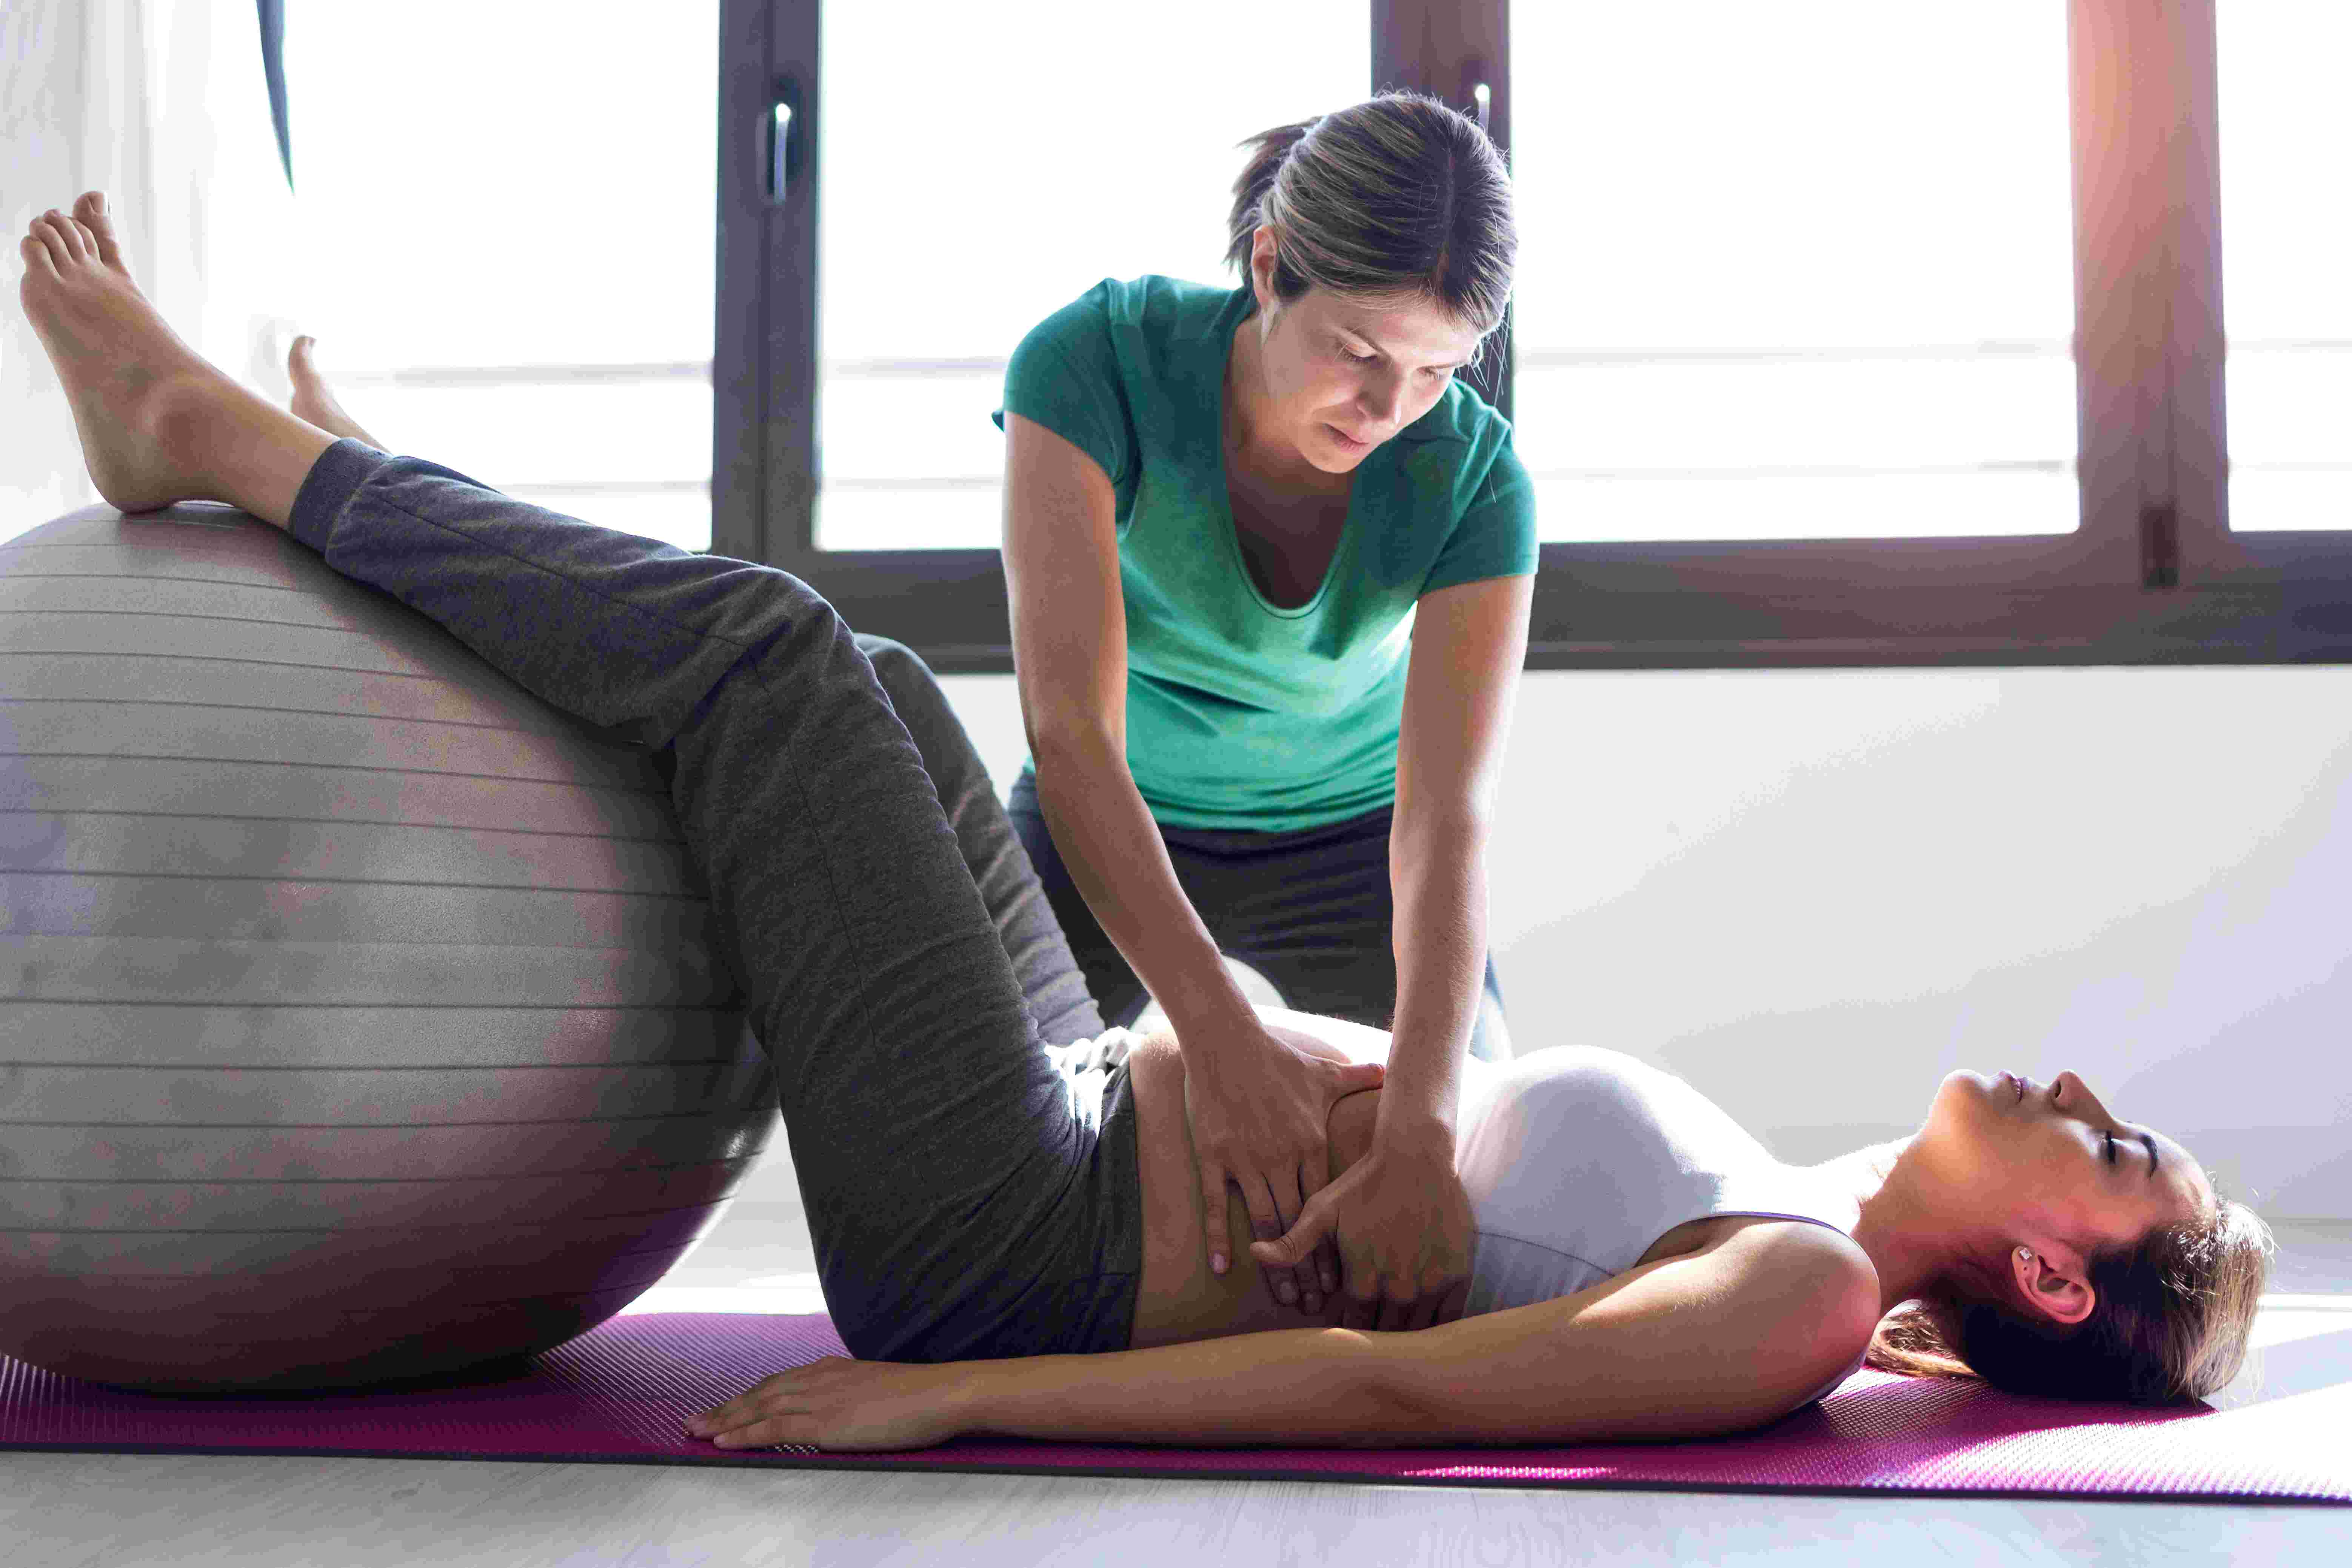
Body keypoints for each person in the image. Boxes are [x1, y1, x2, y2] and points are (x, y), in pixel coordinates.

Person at [14, 192, 2269, 1457]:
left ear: (2054, 1270)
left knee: (782, 667)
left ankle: (227, 445)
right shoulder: (1781, 1199)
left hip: (1024, 1232)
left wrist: (950, 1396)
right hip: (1079, 1095)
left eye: (2118, 1141)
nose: (2078, 1084)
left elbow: (1390, 1381)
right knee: (882, 685)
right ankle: (386, 493)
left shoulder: (1791, 1293)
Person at [997, 92, 1533, 1325]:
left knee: (1474, 1186)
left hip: (1349, 848)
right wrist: (1220, 1029)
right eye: (1358, 351)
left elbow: (1445, 822)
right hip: (1108, 827)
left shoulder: (1478, 480)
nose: (1391, 405)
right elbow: (1069, 734)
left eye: (1438, 369)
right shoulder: (1090, 366)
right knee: (1004, 1163)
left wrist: (1419, 1128)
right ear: (1269, 263)